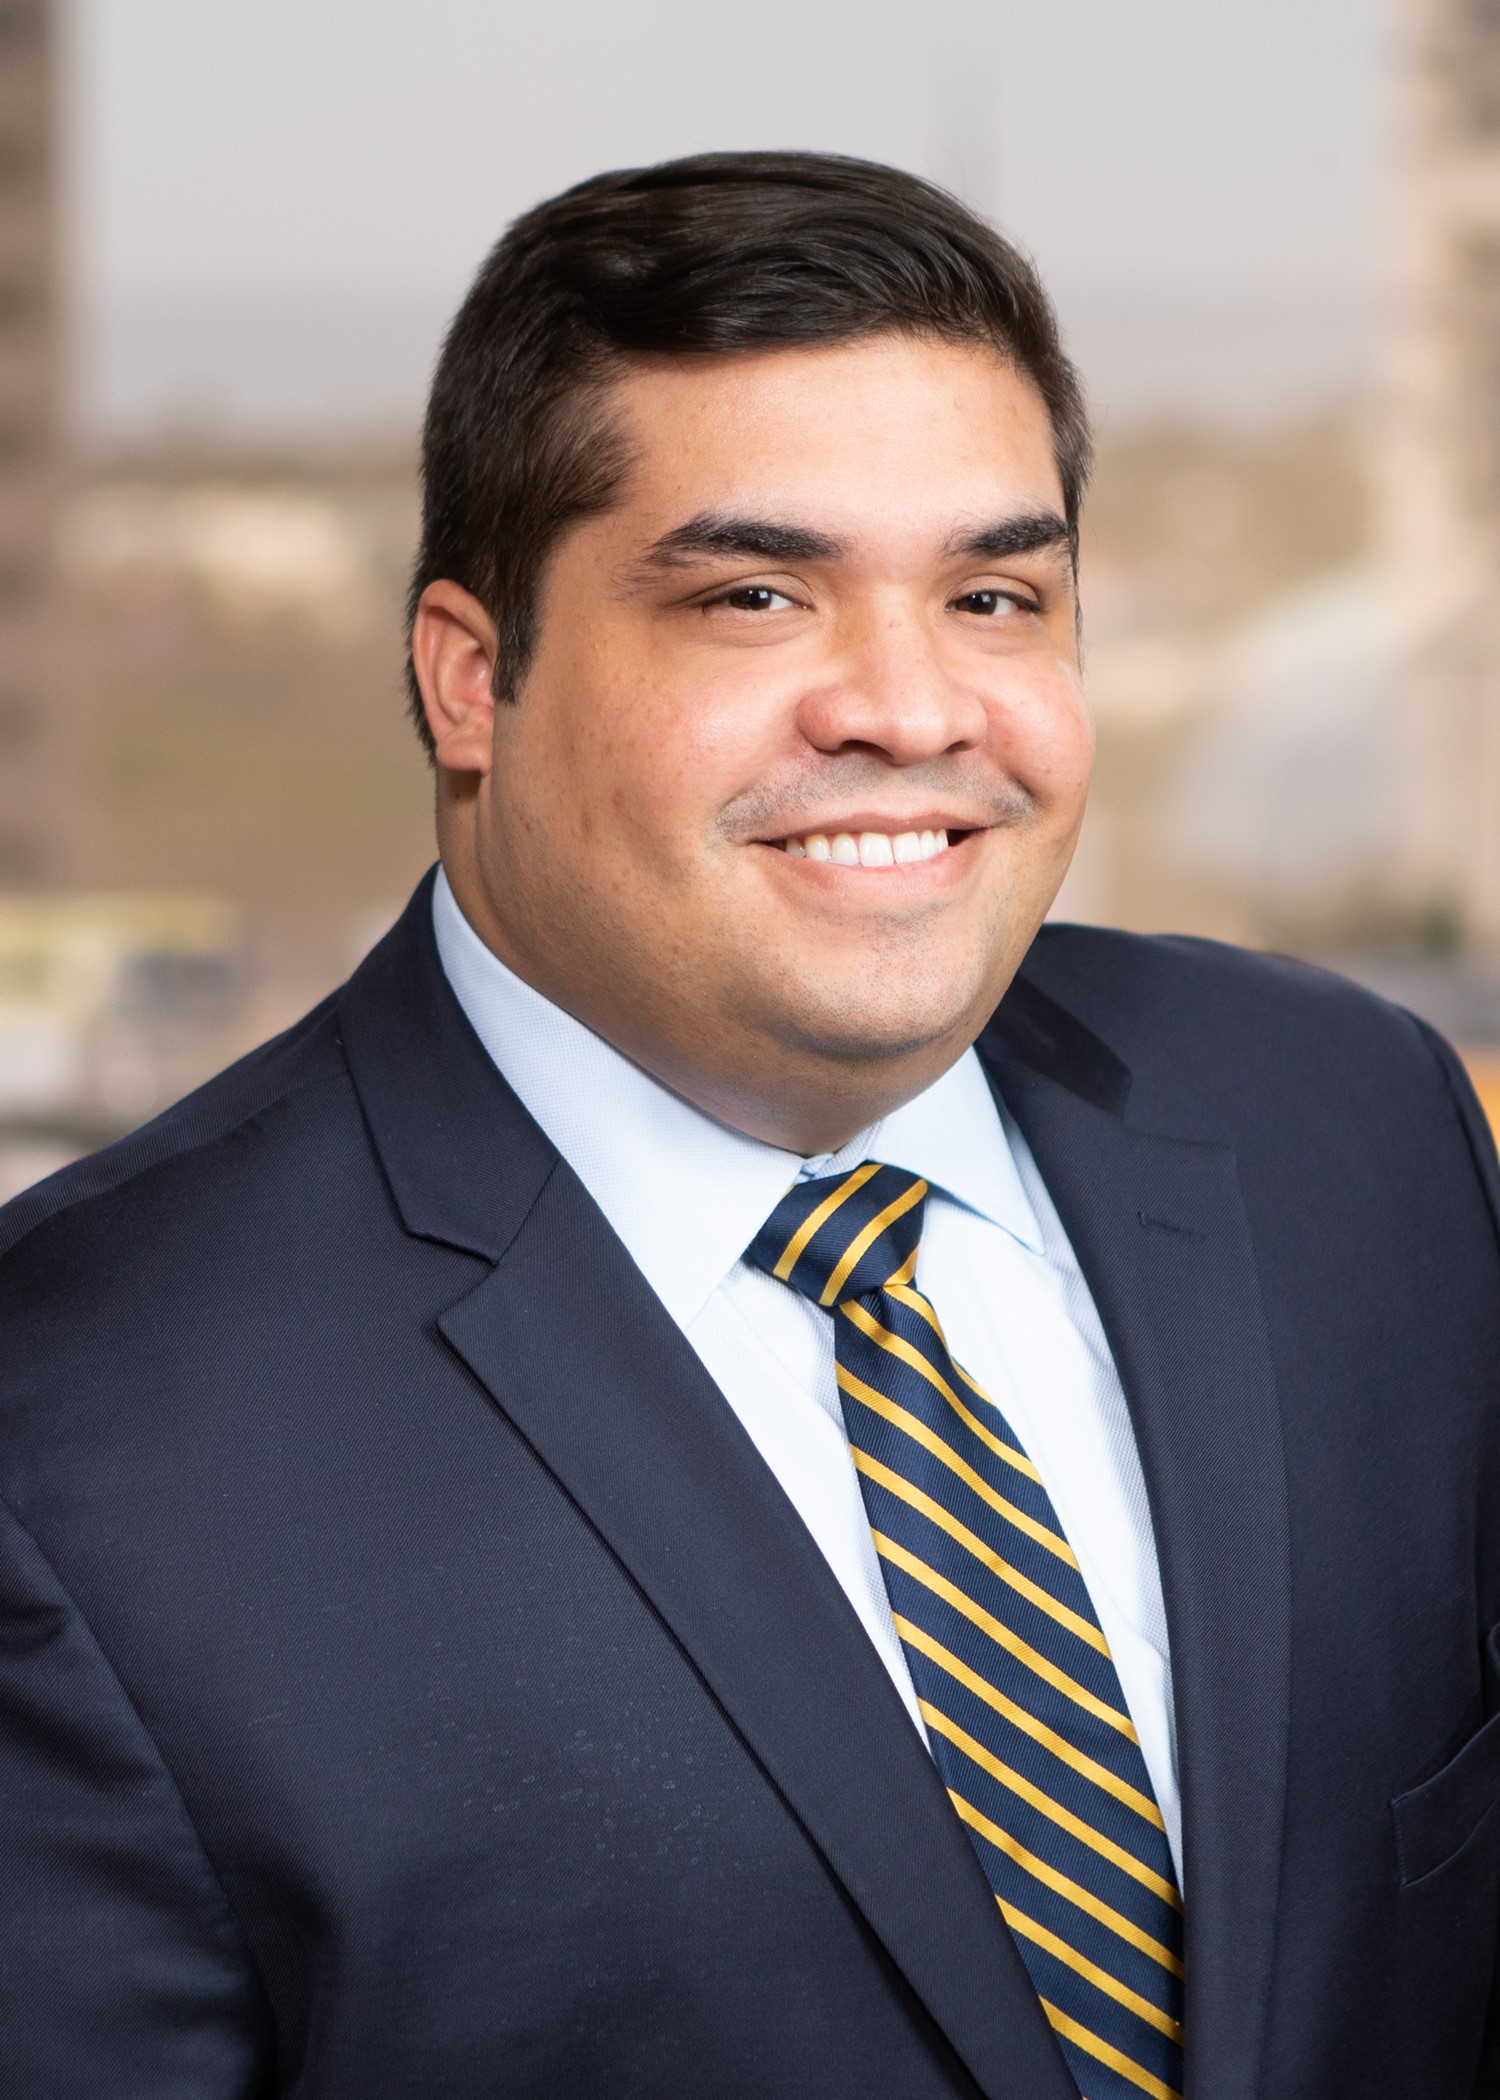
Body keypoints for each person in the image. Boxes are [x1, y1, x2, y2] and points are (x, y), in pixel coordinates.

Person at [2, 150, 1499, 2100]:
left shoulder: (1356, 1136)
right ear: (471, 681)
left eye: (992, 593)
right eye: (756, 597)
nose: (910, 709)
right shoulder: (76, 1433)